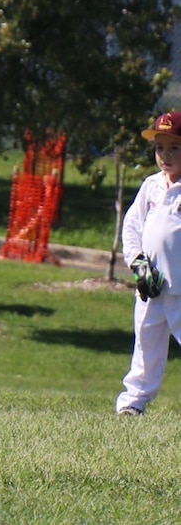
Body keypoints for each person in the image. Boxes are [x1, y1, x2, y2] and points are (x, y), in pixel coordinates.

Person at [116, 111, 181, 416]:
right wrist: (138, 263)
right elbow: (132, 228)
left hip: (180, 288)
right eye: (159, 148)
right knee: (146, 343)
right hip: (152, 286)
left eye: (174, 148)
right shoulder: (151, 186)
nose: (165, 155)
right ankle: (133, 402)